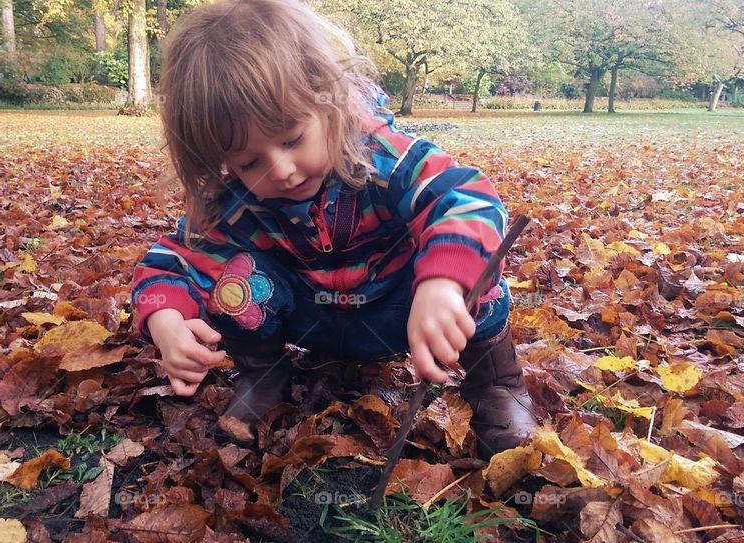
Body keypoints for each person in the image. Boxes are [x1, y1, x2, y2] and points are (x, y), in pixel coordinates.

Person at [130, 0, 536, 457]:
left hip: (400, 311)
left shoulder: (381, 157)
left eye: (291, 139)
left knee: (474, 272)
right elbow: (172, 262)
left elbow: (467, 199)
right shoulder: (233, 201)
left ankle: (496, 384)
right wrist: (165, 323)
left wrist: (441, 284)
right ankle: (263, 374)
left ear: (327, 100)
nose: (280, 170)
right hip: (313, 319)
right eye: (249, 161)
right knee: (235, 282)